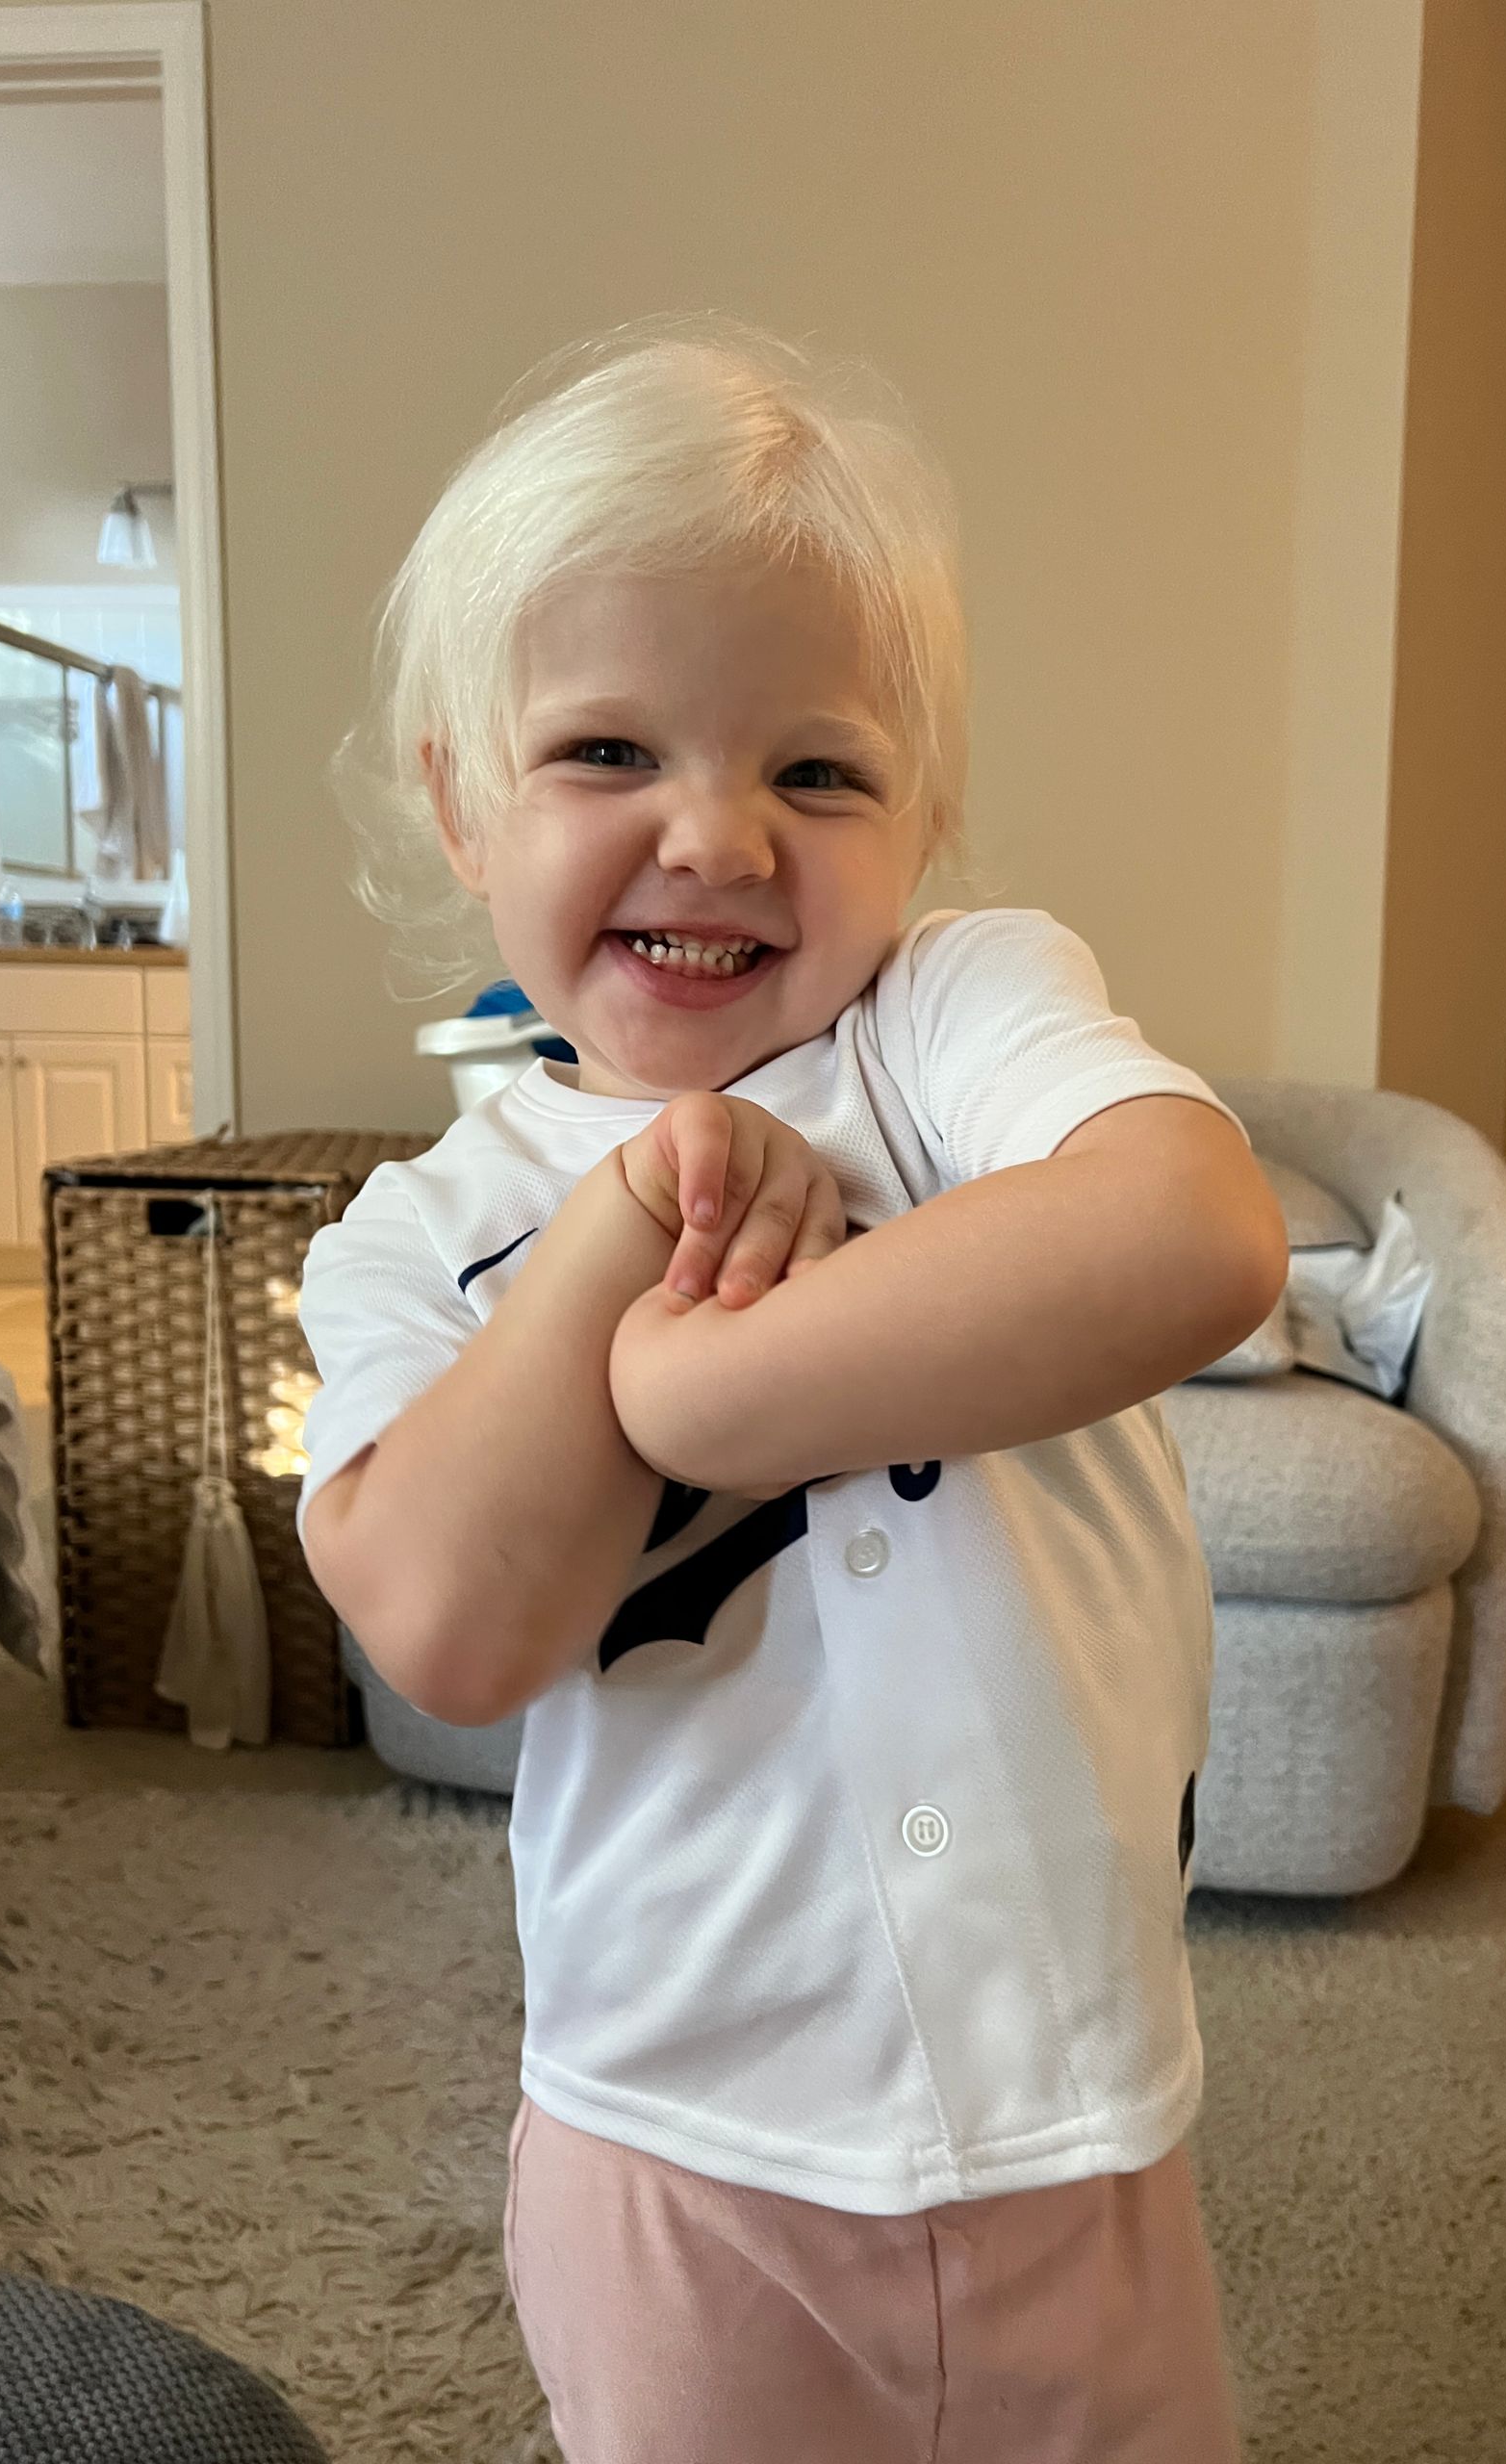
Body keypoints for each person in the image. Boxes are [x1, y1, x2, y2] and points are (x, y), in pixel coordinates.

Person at [295, 311, 1288, 2464]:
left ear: (918, 815)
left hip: (1077, 2114)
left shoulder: (957, 1026)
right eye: (604, 755)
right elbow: (455, 1625)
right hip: (682, 2147)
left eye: (816, 771)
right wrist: (611, 1247)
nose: (720, 836)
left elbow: (1199, 1235)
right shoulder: (411, 1234)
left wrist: (701, 1398)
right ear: (465, 803)